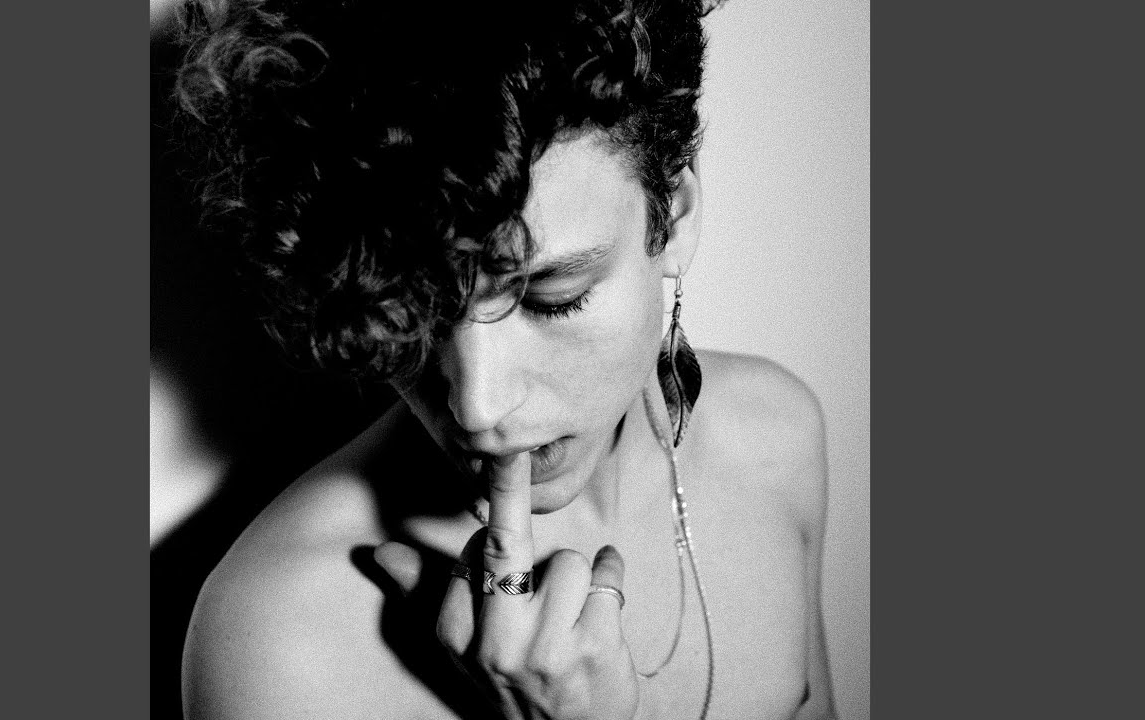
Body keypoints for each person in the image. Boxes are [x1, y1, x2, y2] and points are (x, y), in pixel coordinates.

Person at [172, 0, 837, 718]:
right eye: (411, 309)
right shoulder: (279, 639)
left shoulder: (773, 439)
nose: (476, 407)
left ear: (671, 215)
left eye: (553, 297)